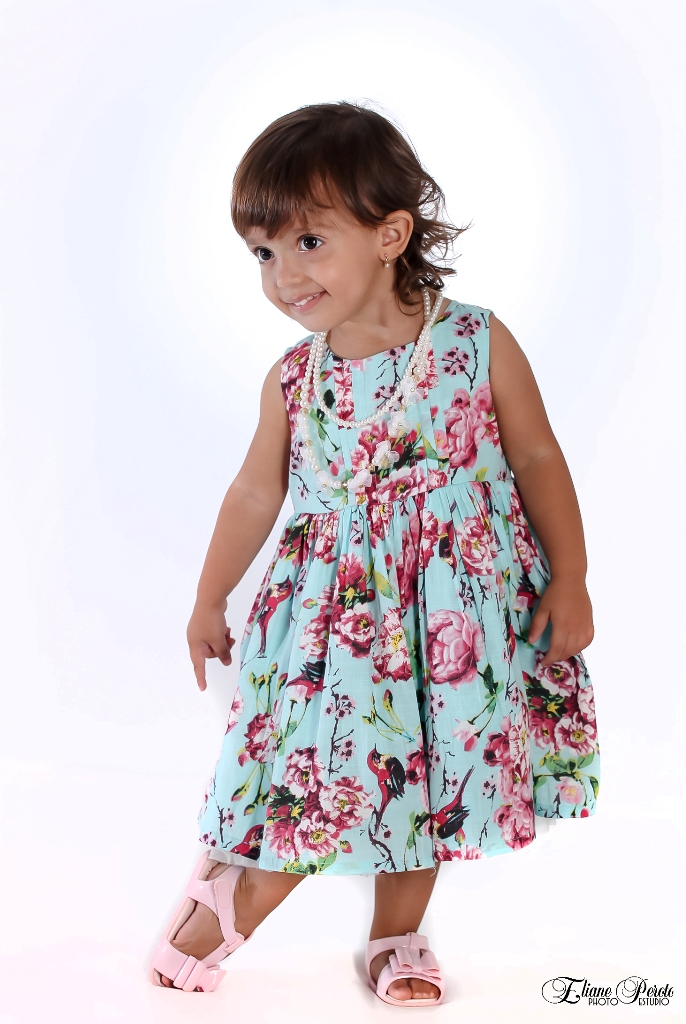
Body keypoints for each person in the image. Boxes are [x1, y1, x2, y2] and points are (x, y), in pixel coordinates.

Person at [149, 100, 601, 1005]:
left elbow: (536, 457)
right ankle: (237, 893)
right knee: (331, 773)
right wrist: (208, 597)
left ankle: (398, 935)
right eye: (263, 253)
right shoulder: (296, 378)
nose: (284, 274)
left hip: (454, 614)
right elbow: (255, 494)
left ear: (390, 235)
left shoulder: (473, 342)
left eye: (309, 242)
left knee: (425, 771)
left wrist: (573, 576)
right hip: (337, 624)